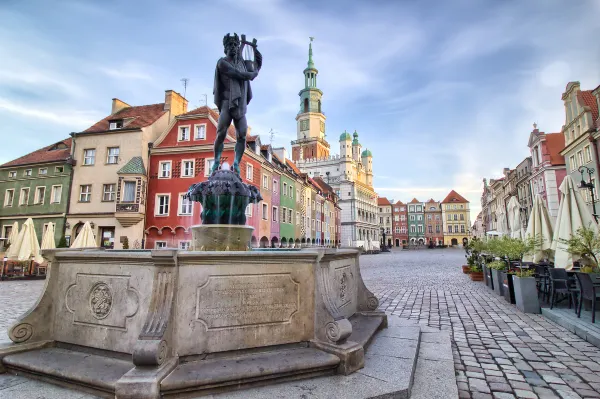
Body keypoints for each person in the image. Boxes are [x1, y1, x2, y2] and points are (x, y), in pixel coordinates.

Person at [212, 33, 262, 175]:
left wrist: (255, 51)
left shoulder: (242, 63)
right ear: (225, 48)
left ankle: (236, 163)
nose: (233, 47)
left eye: (235, 45)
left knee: (242, 135)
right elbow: (237, 74)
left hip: (240, 105)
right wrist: (251, 75)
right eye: (230, 45)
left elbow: (257, 65)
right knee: (221, 132)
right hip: (227, 103)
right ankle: (216, 161)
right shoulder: (222, 63)